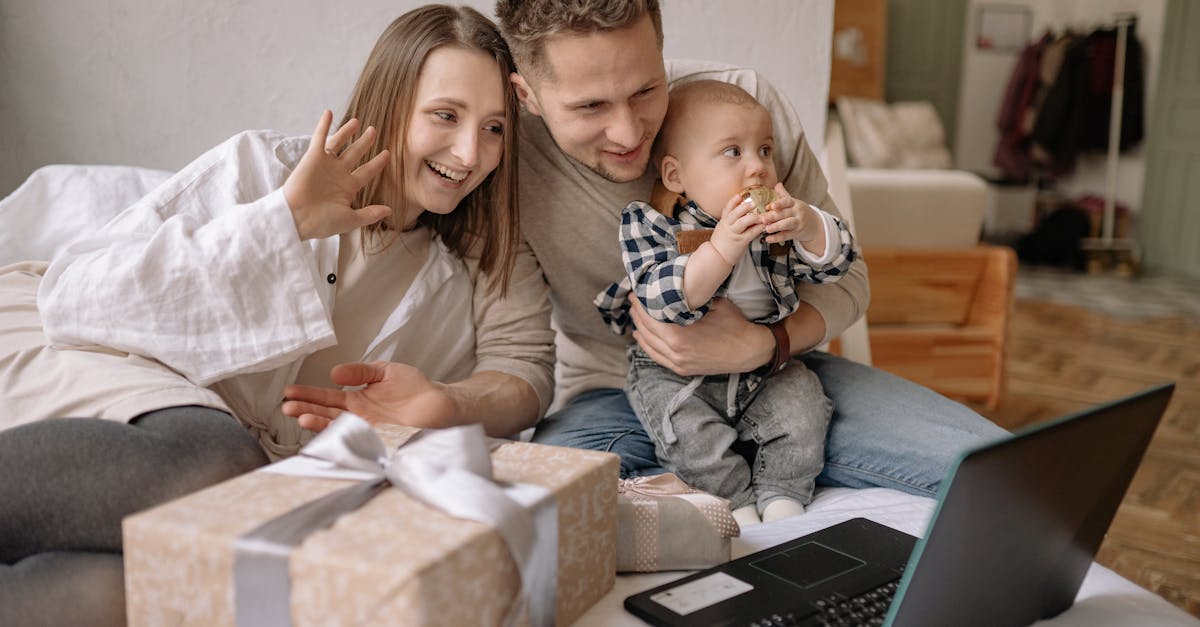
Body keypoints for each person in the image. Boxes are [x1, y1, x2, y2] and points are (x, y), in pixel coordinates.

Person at [286, 0, 1007, 503]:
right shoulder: (501, 159)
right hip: (610, 397)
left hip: (786, 373)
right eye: (590, 108)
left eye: (646, 88)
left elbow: (850, 285)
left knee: (992, 471)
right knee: (524, 506)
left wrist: (765, 344)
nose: (630, 132)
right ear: (526, 93)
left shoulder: (743, 111)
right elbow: (518, 352)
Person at [0, 5, 552, 626]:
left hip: (232, 473)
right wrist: (284, 221)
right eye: (446, 116)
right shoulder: (267, 169)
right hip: (95, 360)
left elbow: (524, 373)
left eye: (495, 128)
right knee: (220, 460)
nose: (469, 151)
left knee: (134, 594)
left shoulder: (479, 255)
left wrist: (449, 402)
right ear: (393, 103)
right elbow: (76, 294)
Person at [594, 80, 857, 525]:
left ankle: (783, 497)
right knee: (688, 434)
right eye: (733, 152)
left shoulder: (781, 222)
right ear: (677, 176)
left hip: (765, 367)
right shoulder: (650, 223)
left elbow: (835, 267)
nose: (758, 169)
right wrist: (720, 249)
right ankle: (734, 505)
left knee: (805, 407)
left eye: (766, 150)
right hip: (673, 374)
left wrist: (811, 225)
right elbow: (662, 298)